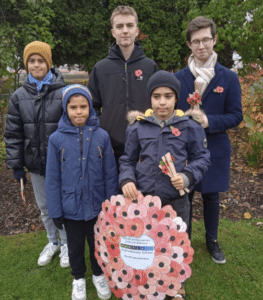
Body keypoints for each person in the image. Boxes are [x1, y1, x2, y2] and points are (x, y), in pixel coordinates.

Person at [119, 70, 210, 300]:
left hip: (176, 200)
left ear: (176, 98)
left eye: (168, 96)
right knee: (148, 244)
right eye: (157, 96)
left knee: (176, 244)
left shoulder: (190, 126)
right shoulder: (138, 127)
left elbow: (202, 158)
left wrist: (187, 175)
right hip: (145, 202)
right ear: (150, 98)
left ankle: (176, 285)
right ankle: (149, 281)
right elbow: (128, 159)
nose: (162, 102)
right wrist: (128, 179)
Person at [174, 16, 243, 264]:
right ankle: (184, 241)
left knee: (212, 196)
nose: (201, 46)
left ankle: (212, 241)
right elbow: (172, 112)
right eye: (196, 41)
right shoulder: (179, 78)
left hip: (215, 147)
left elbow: (236, 115)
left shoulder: (228, 78)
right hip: (185, 149)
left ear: (214, 40)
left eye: (206, 40)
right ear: (189, 45)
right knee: (186, 195)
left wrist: (209, 121)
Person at [45, 84, 118, 300]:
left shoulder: (101, 136)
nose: (79, 112)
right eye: (73, 107)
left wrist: (110, 205)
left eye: (83, 106)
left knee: (97, 244)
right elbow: (52, 179)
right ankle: (78, 278)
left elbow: (110, 173)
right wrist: (55, 210)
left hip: (97, 206)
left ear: (90, 108)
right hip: (70, 208)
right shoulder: (56, 139)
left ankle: (98, 274)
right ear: (65, 109)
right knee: (75, 246)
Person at [4, 41, 70, 268]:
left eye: (40, 60)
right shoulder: (18, 96)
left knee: (63, 205)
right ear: (26, 64)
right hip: (35, 164)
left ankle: (66, 243)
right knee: (45, 206)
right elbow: (13, 133)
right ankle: (53, 241)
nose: (36, 65)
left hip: (62, 163)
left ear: (48, 63)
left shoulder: (63, 92)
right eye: (31, 61)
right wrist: (16, 166)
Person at [88, 5, 158, 169]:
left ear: (137, 31)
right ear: (113, 32)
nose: (125, 31)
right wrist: (103, 129)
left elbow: (159, 103)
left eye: (129, 25)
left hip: (145, 146)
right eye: (120, 26)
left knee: (144, 194)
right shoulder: (101, 68)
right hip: (110, 148)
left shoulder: (150, 67)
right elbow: (92, 107)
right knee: (114, 194)